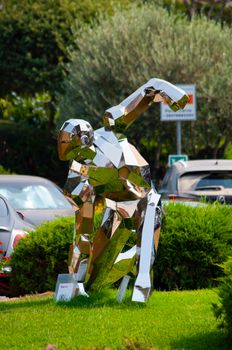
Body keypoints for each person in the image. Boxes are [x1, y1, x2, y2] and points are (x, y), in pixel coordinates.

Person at [57, 78, 188, 302]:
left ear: (87, 140)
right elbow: (83, 233)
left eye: (79, 154)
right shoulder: (77, 175)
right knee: (97, 271)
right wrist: (75, 279)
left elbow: (148, 90)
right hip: (115, 209)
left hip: (145, 199)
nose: (78, 161)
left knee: (144, 248)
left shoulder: (112, 125)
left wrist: (175, 96)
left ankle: (141, 287)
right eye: (73, 158)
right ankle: (85, 288)